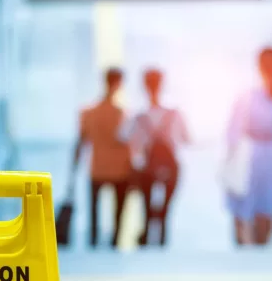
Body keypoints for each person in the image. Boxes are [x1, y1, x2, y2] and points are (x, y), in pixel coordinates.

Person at [225, 47, 272, 246]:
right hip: (250, 156)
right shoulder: (247, 97)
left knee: (268, 206)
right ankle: (245, 248)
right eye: (266, 64)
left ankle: (261, 248)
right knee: (245, 204)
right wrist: (231, 160)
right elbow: (233, 131)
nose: (270, 69)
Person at [125, 68, 190, 246]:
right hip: (171, 167)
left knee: (146, 210)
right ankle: (162, 244)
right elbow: (187, 138)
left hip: (147, 167)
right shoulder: (175, 113)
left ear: (144, 86)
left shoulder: (138, 116)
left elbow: (123, 137)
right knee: (165, 212)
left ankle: (146, 242)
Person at [73, 67, 132, 248]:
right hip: (120, 169)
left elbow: (80, 142)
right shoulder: (122, 114)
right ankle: (114, 242)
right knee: (118, 212)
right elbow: (130, 142)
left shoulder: (88, 112)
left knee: (94, 211)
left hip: (97, 168)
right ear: (119, 84)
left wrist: (73, 169)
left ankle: (93, 241)